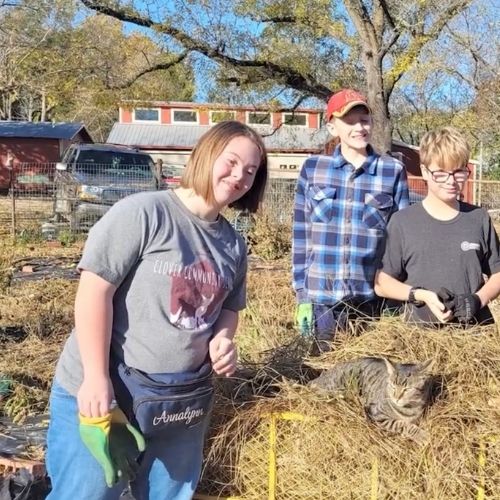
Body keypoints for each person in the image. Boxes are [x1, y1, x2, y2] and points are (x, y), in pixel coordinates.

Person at [46, 120, 268, 500]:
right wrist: (96, 378)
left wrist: (223, 338)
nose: (239, 176)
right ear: (205, 154)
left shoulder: (233, 244)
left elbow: (229, 307)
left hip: (180, 405)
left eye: (250, 171)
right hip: (107, 394)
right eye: (231, 162)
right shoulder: (144, 213)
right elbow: (93, 293)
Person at [292, 89, 409, 353]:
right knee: (323, 377)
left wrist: (395, 298)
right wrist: (302, 295)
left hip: (370, 300)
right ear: (333, 126)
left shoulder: (392, 171)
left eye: (364, 120)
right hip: (322, 299)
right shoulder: (313, 169)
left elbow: (401, 240)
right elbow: (301, 234)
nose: (359, 127)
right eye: (349, 121)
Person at [374, 127, 500, 326]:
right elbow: (382, 284)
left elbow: (497, 274)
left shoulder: (478, 218)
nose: (451, 181)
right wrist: (420, 295)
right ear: (424, 171)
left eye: (459, 172)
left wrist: (477, 300)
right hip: (419, 338)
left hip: (473, 337)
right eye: (440, 173)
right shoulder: (403, 222)